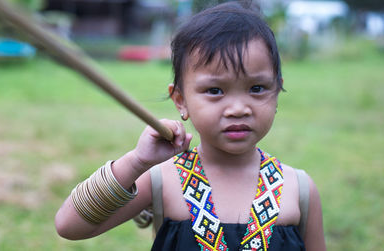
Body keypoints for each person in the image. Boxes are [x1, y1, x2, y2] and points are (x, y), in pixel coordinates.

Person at [55, 1, 326, 250]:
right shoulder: (162, 180)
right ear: (181, 100)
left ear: (276, 92)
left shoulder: (298, 189)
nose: (238, 109)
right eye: (215, 90)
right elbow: (69, 225)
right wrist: (137, 161)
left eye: (257, 88)